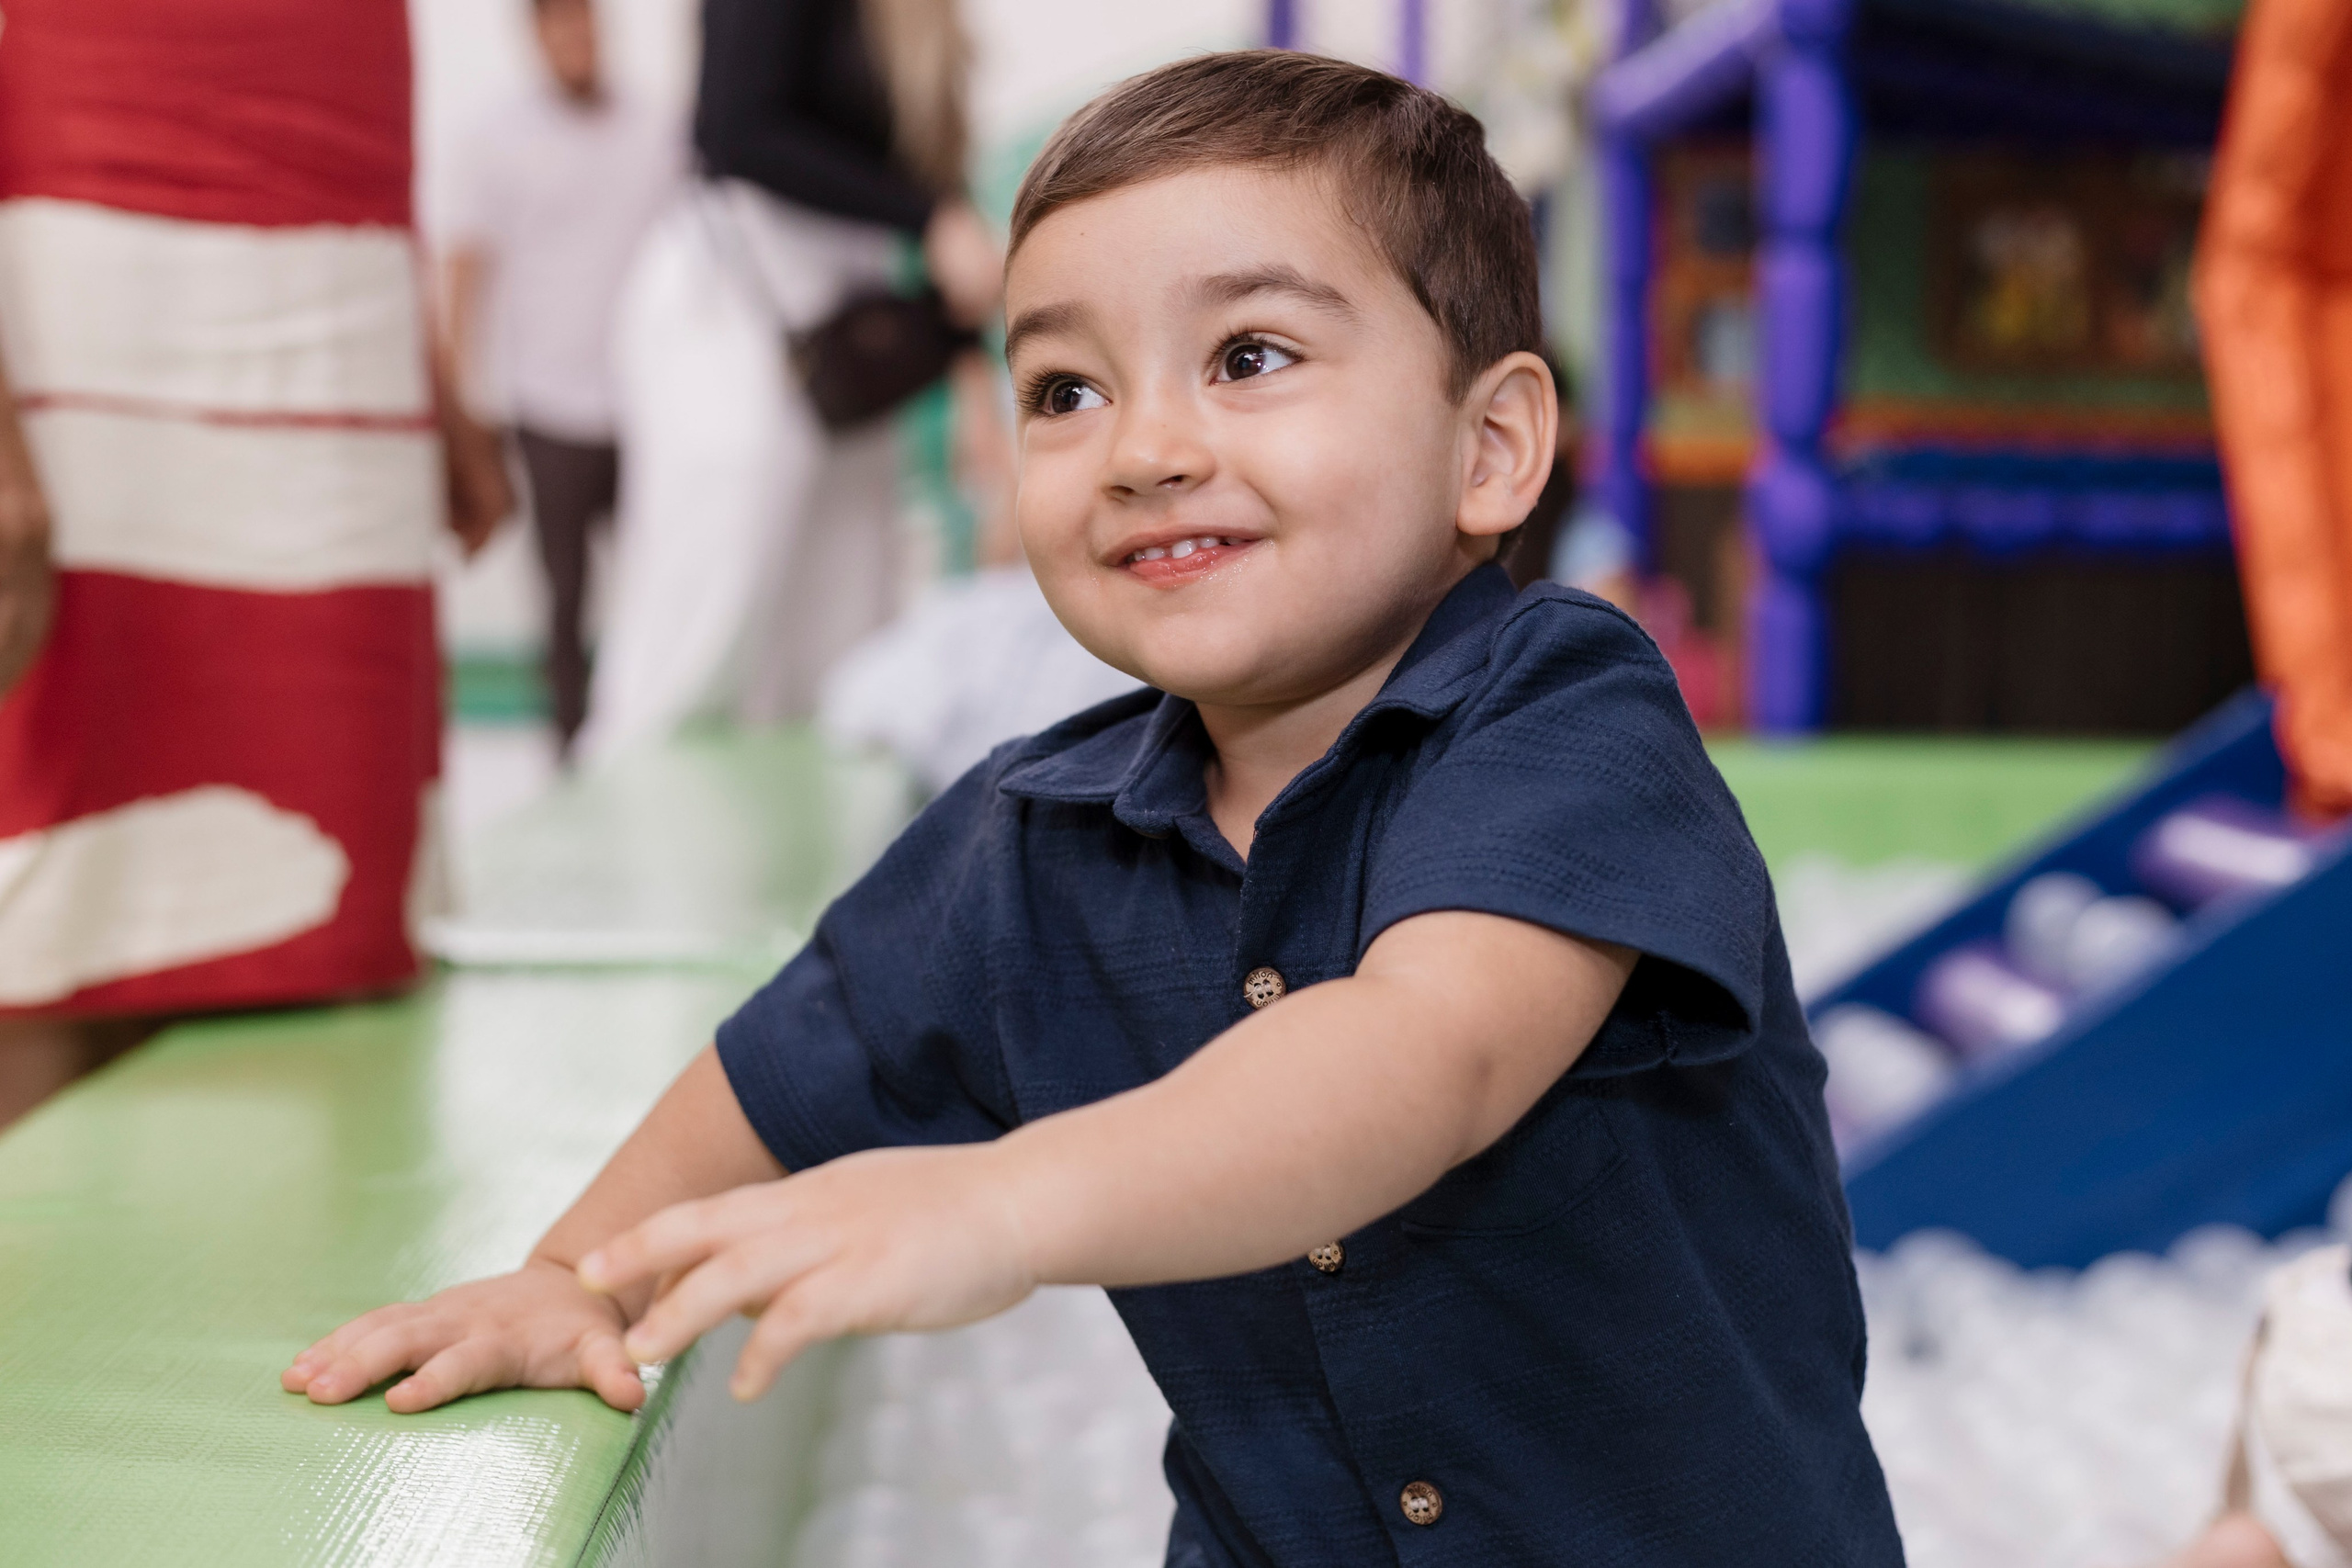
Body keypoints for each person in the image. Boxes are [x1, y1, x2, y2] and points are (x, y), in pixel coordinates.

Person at [287, 51, 1901, 1564]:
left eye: (1250, 357)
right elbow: (784, 1072)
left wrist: (1005, 1200)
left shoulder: (1565, 715)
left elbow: (1423, 1055)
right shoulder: (1034, 841)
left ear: (1489, 447)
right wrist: (577, 1275)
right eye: (1063, 388)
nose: (1143, 447)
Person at [0, 0, 509, 1126]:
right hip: (80, 219)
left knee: (318, 906)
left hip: (330, 261)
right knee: (55, 910)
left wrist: (417, 353)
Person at [574, 0, 1003, 763]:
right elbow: (739, 128)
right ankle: (631, 838)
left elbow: (937, 180)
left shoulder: (925, 25)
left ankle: (811, 868)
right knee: (706, 624)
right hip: (733, 307)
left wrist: (976, 385)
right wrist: (928, 217)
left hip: (848, 329)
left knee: (846, 636)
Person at [438, 0, 684, 756]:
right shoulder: (496, 138)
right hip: (546, 404)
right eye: (559, 27)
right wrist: (460, 403)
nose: (575, 40)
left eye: (585, 24)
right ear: (536, 36)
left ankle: (650, 731)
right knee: (565, 594)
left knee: (661, 579)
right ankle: (571, 754)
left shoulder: (654, 129)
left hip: (644, 403)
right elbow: (465, 269)